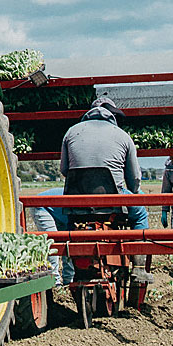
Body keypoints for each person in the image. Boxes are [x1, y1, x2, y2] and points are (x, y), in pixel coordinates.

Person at [28, 95, 149, 283]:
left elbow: (65, 170)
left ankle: (66, 265)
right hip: (113, 201)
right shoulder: (123, 136)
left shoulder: (71, 132)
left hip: (77, 201)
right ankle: (139, 268)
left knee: (55, 212)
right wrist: (131, 191)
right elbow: (134, 180)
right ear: (112, 114)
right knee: (140, 213)